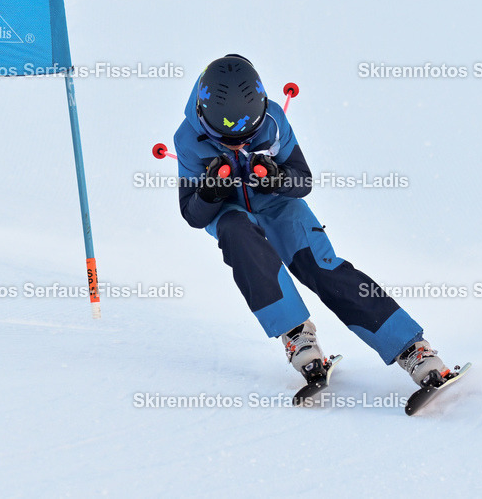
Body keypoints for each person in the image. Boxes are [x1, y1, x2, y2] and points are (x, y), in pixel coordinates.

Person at [173, 54, 450, 388]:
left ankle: (411, 348)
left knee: (322, 267)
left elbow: (302, 180)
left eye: (247, 137)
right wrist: (209, 192)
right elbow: (192, 214)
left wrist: (278, 178)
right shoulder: (186, 138)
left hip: (279, 206)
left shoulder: (273, 120)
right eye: (228, 140)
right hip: (229, 212)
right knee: (241, 238)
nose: (240, 144)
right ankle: (297, 335)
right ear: (204, 118)